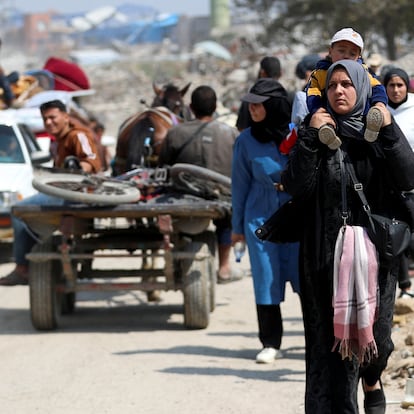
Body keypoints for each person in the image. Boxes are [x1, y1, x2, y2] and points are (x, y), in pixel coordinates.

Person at [281, 59, 414, 413]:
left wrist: (389, 131)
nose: (339, 90)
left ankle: (373, 380)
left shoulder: (377, 131)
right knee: (331, 358)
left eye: (347, 84)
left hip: (376, 261)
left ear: (362, 89)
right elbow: (295, 184)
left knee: (379, 342)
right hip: (323, 260)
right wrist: (310, 136)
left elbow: (408, 177)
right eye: (333, 85)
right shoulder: (316, 130)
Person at [231, 78, 300, 363]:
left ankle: (317, 343)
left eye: (259, 104)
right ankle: (270, 342)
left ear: (274, 105)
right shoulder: (245, 140)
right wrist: (236, 229)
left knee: (305, 279)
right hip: (259, 215)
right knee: (265, 278)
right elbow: (239, 185)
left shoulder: (298, 134)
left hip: (297, 215)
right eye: (251, 104)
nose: (254, 109)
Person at [0, 100, 101, 286]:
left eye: (53, 118)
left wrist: (78, 168)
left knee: (19, 211)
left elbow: (92, 161)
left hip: (76, 195)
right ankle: (37, 250)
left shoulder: (78, 135)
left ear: (65, 117)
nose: (48, 123)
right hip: (63, 193)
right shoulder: (58, 141)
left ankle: (22, 269)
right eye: (45, 119)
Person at [158, 85, 239, 284]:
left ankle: (178, 256)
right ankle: (224, 267)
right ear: (215, 107)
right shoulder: (231, 134)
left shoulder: (175, 133)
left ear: (191, 108)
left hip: (184, 196)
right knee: (227, 220)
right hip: (223, 195)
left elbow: (163, 165)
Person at [306, 28, 388, 149]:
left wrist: (379, 104)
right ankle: (329, 136)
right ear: (330, 51)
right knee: (325, 122)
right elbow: (313, 92)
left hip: (362, 117)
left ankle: (371, 127)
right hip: (330, 115)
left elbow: (377, 87)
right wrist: (317, 109)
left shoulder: (363, 72)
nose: (346, 56)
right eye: (341, 51)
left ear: (359, 56)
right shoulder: (320, 73)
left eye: (352, 54)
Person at [383, 67, 414, 298]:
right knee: (397, 233)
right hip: (389, 184)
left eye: (399, 85)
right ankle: (404, 286)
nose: (395, 90)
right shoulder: (379, 112)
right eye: (391, 85)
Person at [236, 56, 283, 132]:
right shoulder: (287, 97)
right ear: (281, 73)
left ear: (262, 73)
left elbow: (241, 129)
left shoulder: (250, 99)